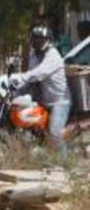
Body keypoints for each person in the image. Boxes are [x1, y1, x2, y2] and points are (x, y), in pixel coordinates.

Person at [13, 25, 71, 154]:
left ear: (48, 40)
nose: (36, 41)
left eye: (40, 38)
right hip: (42, 101)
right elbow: (31, 78)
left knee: (54, 132)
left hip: (59, 102)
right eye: (34, 38)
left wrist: (20, 77)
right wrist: (16, 91)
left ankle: (63, 162)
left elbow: (39, 73)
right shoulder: (34, 54)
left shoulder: (53, 55)